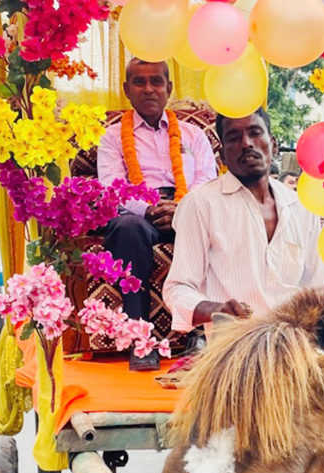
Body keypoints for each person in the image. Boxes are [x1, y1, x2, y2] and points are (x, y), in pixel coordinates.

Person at [164, 108, 324, 339]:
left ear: (273, 144)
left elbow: (318, 286)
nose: (246, 143)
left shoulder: (301, 206)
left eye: (255, 133)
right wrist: (217, 310)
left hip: (295, 346)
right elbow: (178, 288)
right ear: (222, 155)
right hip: (235, 348)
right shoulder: (200, 204)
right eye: (233, 137)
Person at [97, 58, 218, 369]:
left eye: (156, 81)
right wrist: (149, 209)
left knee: (210, 224)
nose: (148, 89)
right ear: (127, 89)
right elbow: (112, 185)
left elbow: (208, 178)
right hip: (139, 212)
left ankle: (199, 334)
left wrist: (184, 208)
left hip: (187, 206)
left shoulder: (193, 134)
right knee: (128, 228)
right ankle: (140, 339)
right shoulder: (112, 137)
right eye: (139, 82)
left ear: (169, 88)